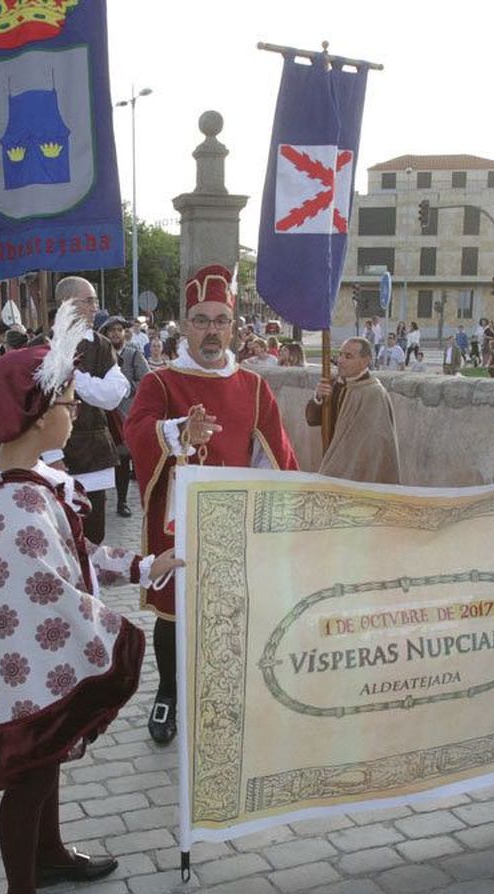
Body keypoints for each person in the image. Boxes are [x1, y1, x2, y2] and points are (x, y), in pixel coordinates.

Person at [0, 304, 181, 894]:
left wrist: (138, 564)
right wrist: (114, 633)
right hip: (21, 669)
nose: (76, 411)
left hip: (36, 659)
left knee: (45, 767)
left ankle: (47, 854)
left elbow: (78, 550)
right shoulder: (14, 502)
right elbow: (46, 589)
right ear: (36, 414)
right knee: (29, 772)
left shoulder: (36, 479)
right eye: (69, 401)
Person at [125, 263, 299, 744]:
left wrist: (280, 509)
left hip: (232, 520)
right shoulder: (159, 384)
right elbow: (135, 432)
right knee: (173, 611)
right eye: (201, 320)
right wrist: (178, 432)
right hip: (178, 521)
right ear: (184, 325)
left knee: (229, 612)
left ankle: (224, 697)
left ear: (233, 326)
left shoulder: (254, 387)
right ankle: (168, 695)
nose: (211, 331)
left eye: (220, 320)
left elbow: (274, 452)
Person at [55, 278, 129, 543]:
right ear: (68, 304)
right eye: (89, 301)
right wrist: (51, 454)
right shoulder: (45, 345)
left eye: (95, 301)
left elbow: (113, 394)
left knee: (93, 534)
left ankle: (91, 584)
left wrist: (75, 379)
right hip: (54, 454)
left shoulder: (100, 344)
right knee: (60, 535)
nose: (95, 308)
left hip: (94, 449)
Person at [306, 337, 402, 483]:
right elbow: (312, 419)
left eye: (348, 356)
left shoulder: (374, 394)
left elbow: (377, 443)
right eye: (341, 354)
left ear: (365, 361)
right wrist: (318, 397)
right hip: (335, 463)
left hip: (363, 473)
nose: (340, 361)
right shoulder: (334, 384)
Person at [111, 315, 151, 518]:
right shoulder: (102, 355)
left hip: (126, 414)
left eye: (118, 330)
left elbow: (146, 380)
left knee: (123, 459)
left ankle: (122, 501)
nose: (115, 334)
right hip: (105, 416)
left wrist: (125, 388)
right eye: (111, 331)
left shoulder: (134, 355)